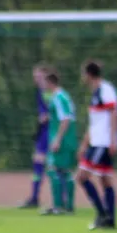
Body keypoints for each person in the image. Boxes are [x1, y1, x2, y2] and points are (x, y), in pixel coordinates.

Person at [77, 61, 117, 230]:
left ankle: (102, 214)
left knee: (82, 176)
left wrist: (113, 139)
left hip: (102, 143)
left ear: (88, 74)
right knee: (105, 179)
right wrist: (84, 144)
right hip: (97, 142)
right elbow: (95, 123)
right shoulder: (96, 93)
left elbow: (114, 112)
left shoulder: (105, 89)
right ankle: (110, 219)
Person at [41, 70, 77, 215]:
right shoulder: (64, 96)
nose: (43, 85)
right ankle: (67, 206)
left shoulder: (58, 97)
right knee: (64, 171)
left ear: (50, 82)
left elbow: (65, 119)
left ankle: (58, 206)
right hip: (68, 139)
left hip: (62, 140)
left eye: (44, 82)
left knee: (53, 169)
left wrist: (57, 139)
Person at [19, 64, 51, 209]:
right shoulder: (40, 91)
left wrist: (43, 120)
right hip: (44, 131)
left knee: (47, 163)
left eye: (39, 76)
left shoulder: (49, 92)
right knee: (39, 162)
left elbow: (50, 114)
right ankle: (35, 197)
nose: (36, 79)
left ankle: (38, 198)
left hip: (50, 131)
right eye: (35, 76)